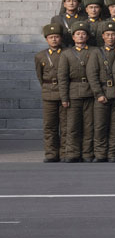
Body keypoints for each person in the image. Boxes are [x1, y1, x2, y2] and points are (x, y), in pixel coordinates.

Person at [35, 25, 65, 162]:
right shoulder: (40, 56)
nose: (54, 40)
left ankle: (64, 153)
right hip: (48, 93)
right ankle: (51, 153)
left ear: (61, 38)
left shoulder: (67, 53)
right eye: (51, 37)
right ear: (46, 39)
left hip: (64, 92)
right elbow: (40, 76)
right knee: (50, 125)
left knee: (65, 125)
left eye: (56, 37)